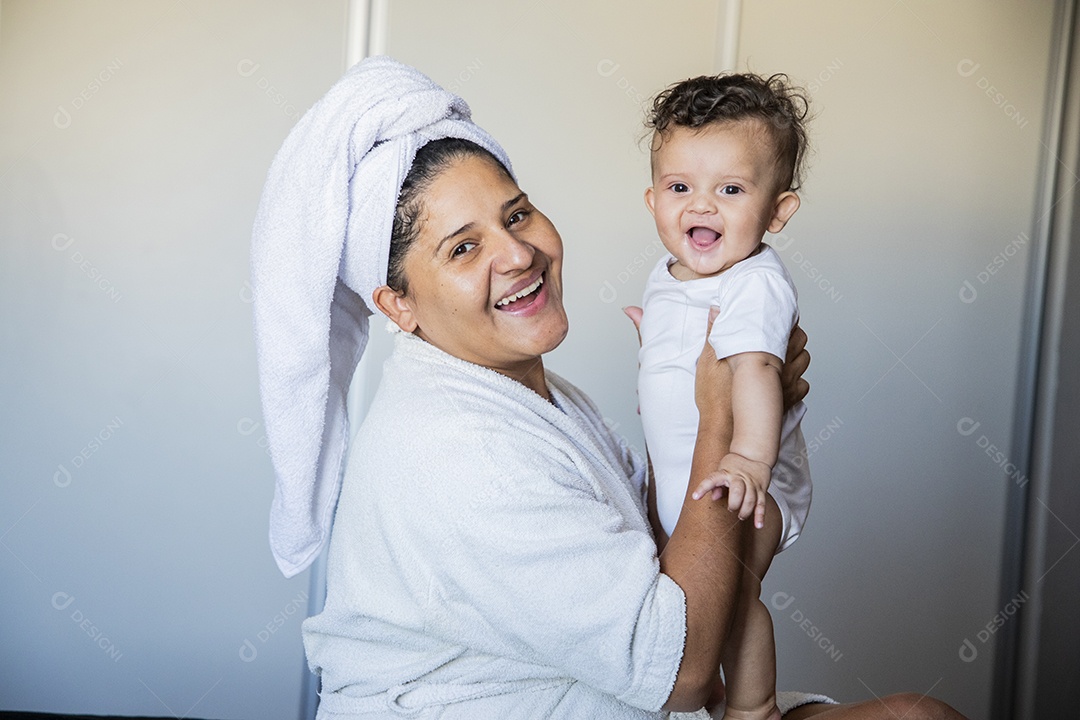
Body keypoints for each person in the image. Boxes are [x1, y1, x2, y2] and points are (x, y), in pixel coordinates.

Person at [251, 56, 966, 719]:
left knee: (919, 716)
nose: (518, 253)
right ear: (398, 305)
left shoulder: (538, 396)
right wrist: (716, 418)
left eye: (517, 214)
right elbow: (683, 670)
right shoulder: (457, 450)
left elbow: (667, 551)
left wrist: (696, 408)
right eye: (463, 248)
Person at [634, 73, 812, 720]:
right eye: (681, 188)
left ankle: (753, 708)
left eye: (730, 190)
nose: (702, 207)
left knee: (734, 598)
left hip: (747, 479)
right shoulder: (670, 273)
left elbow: (758, 369)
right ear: (652, 198)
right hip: (695, 475)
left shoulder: (753, 283)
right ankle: (714, 698)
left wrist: (750, 462)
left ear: (777, 211)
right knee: (696, 604)